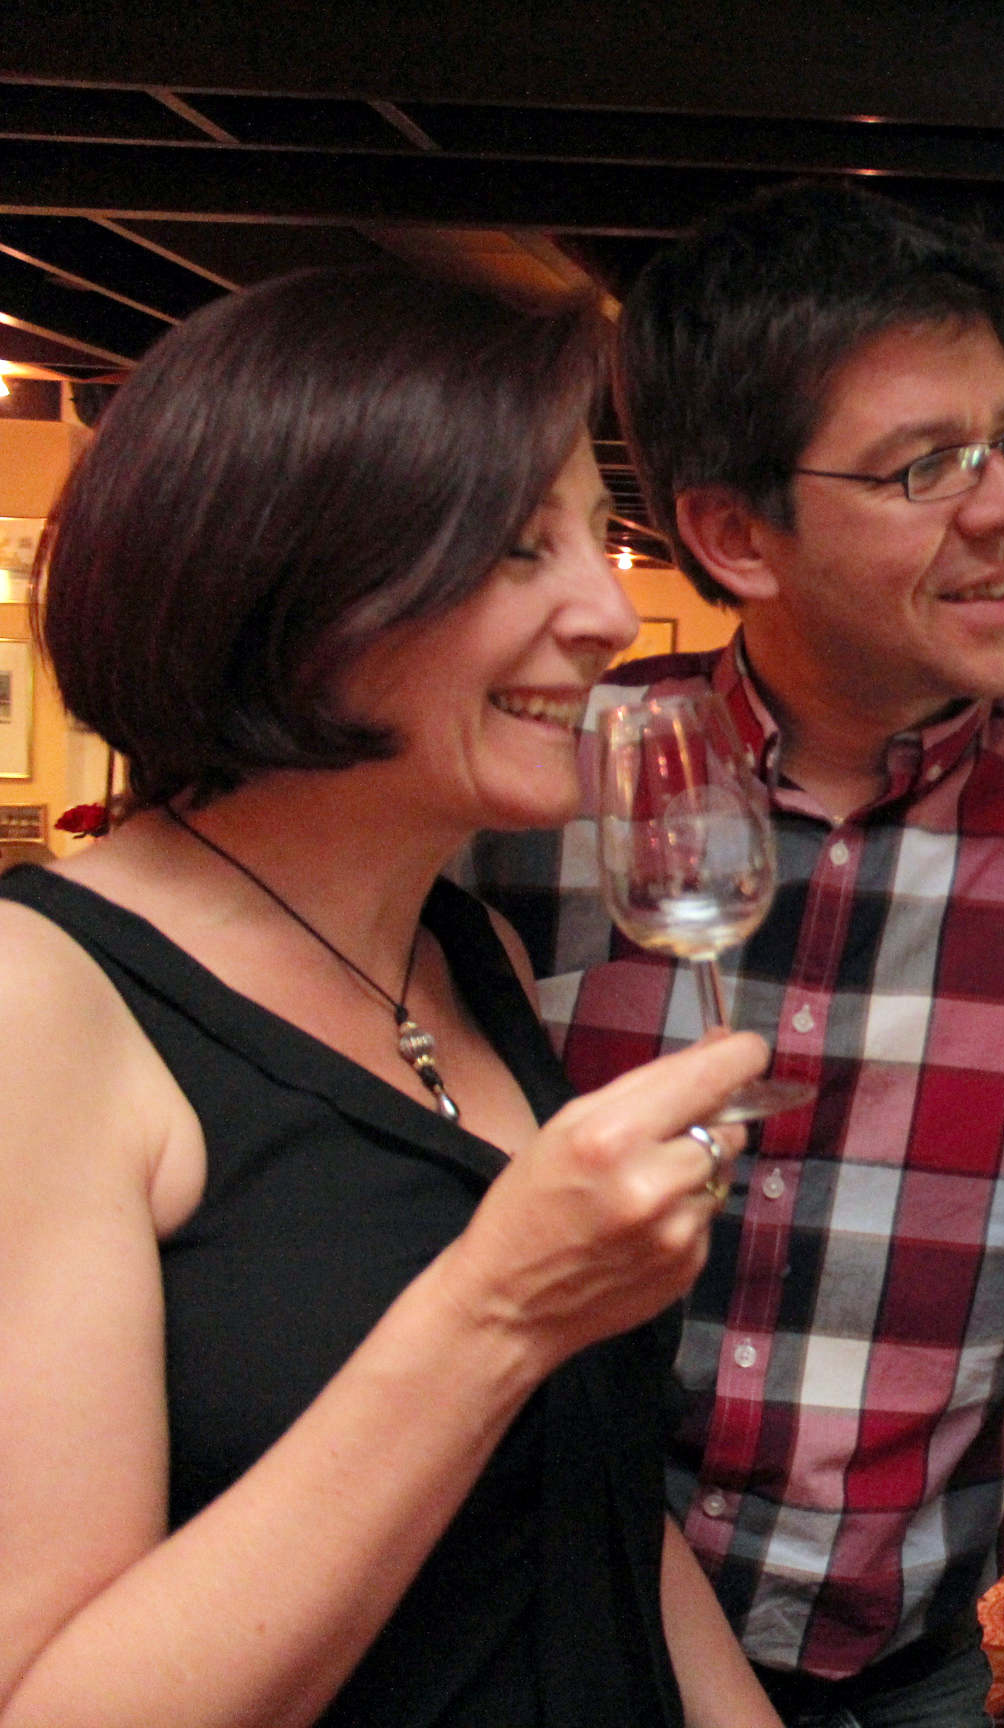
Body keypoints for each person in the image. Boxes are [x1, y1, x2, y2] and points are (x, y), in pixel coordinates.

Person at [468, 182, 1004, 1728]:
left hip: (899, 1675)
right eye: (924, 466)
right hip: (531, 1641)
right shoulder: (555, 786)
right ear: (732, 532)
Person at [0, 265, 784, 1728]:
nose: (613, 612)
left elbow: (589, 1502)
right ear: (293, 585)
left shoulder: (463, 950)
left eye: (596, 535)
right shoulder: (38, 1004)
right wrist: (498, 1312)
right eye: (520, 545)